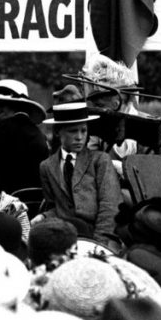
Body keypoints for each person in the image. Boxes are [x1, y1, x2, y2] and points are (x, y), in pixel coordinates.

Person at [36, 98, 123, 246]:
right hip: (66, 236)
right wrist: (44, 216)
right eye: (73, 131)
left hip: (100, 235)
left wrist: (98, 243)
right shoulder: (47, 166)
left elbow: (110, 205)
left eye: (83, 130)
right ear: (58, 132)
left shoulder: (100, 160)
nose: (80, 137)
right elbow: (54, 206)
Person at [0, 78, 48, 196]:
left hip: (13, 198)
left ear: (17, 105)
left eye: (3, 104)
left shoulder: (4, 127)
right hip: (38, 198)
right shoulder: (38, 132)